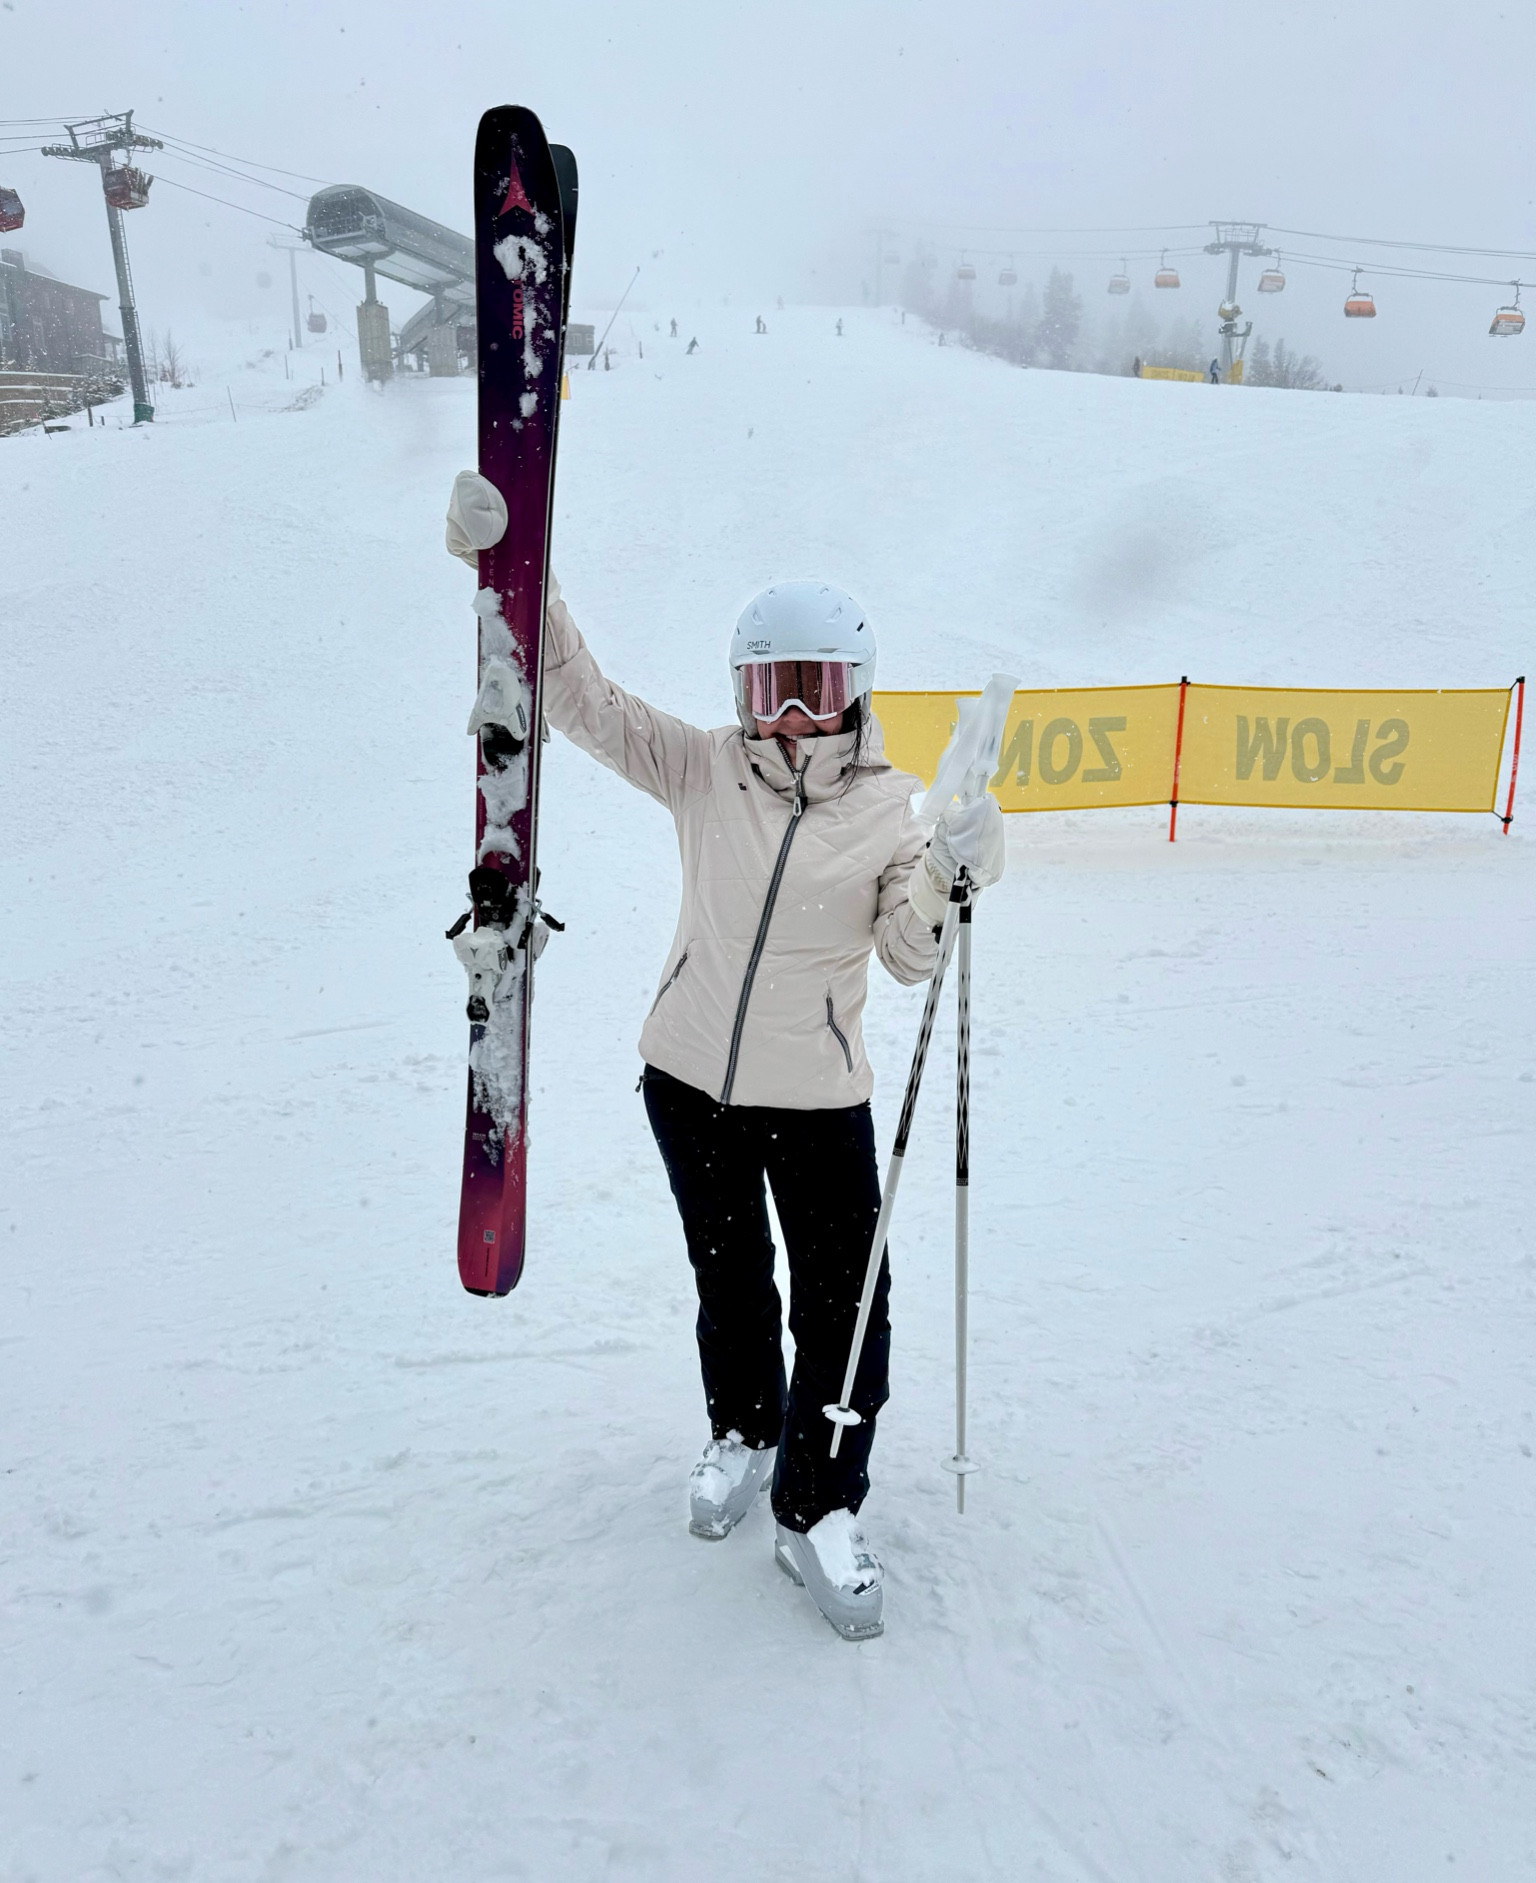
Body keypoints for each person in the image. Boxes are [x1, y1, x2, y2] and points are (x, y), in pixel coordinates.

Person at [446, 476, 1006, 1637]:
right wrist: (518, 580)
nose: (791, 718)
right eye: (770, 690)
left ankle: (822, 1502)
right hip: (686, 1080)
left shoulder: (893, 812)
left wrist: (955, 869)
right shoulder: (703, 768)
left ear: (853, 691)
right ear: (741, 693)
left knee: (848, 1312)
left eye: (815, 691)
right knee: (730, 1279)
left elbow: (907, 953)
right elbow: (582, 701)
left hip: (820, 1102)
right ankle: (747, 1432)